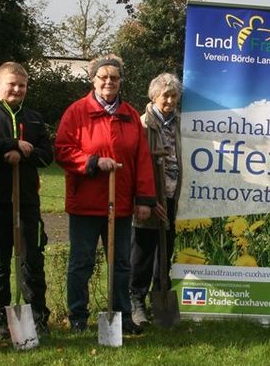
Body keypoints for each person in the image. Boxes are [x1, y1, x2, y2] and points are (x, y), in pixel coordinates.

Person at [55, 55, 156, 336]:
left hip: (121, 205)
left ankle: (122, 315)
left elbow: (142, 160)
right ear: (93, 80)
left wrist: (144, 199)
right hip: (86, 203)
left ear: (120, 81)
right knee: (81, 262)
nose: (108, 82)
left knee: (121, 263)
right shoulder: (77, 112)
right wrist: (92, 162)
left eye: (114, 78)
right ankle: (77, 316)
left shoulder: (130, 115)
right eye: (103, 77)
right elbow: (63, 150)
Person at [0, 62, 54, 338]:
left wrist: (24, 154)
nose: (17, 89)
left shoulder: (33, 118)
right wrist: (10, 145)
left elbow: (47, 154)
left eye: (22, 85)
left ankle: (37, 316)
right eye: (12, 84)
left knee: (31, 260)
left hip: (27, 200)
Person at [129, 73, 183, 325]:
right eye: (165, 95)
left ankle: (159, 297)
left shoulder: (178, 123)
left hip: (171, 194)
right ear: (153, 97)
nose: (170, 100)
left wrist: (168, 198)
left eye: (174, 96)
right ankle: (136, 300)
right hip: (147, 198)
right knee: (143, 251)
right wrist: (151, 199)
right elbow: (137, 164)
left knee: (165, 251)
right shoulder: (142, 124)